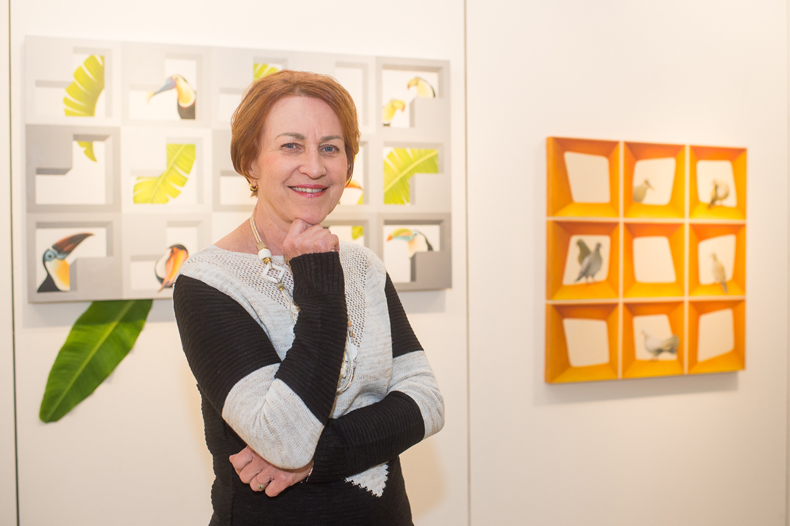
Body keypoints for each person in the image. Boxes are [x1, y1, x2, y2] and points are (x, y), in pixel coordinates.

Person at [173, 70, 445, 526]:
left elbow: (427, 403)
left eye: (331, 148)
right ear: (250, 162)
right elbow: (283, 440)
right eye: (291, 146)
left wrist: (316, 459)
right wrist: (319, 288)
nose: (315, 167)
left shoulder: (364, 267)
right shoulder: (208, 282)